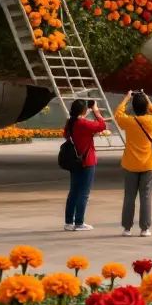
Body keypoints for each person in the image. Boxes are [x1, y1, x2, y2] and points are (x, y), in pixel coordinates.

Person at [116, 90, 152, 237]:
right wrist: (147, 98)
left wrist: (127, 98)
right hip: (148, 164)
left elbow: (118, 114)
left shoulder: (128, 121)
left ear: (133, 107)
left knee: (129, 197)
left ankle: (127, 228)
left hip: (130, 164)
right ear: (146, 106)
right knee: (146, 197)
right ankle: (145, 228)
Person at [63, 99, 105, 231]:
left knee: (73, 191)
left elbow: (65, 134)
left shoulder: (70, 122)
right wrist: (96, 111)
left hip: (74, 160)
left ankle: (69, 222)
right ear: (84, 111)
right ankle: (79, 222)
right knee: (84, 193)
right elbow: (102, 125)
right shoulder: (84, 123)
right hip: (87, 160)